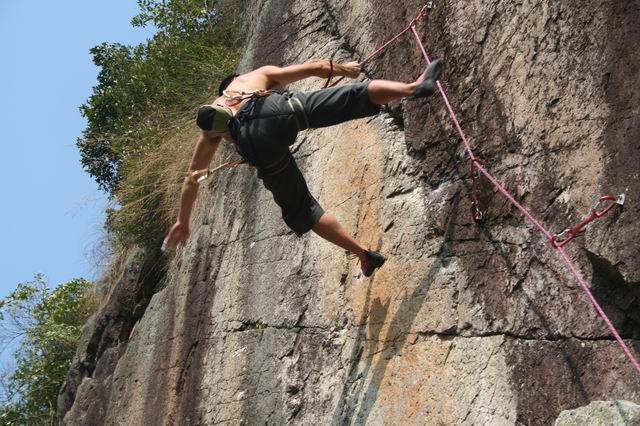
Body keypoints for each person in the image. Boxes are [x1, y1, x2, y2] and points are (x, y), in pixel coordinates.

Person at [163, 58, 443, 276]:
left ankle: (364, 255)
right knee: (356, 95)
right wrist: (346, 70)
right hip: (277, 111)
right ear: (236, 78)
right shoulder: (254, 77)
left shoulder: (213, 122)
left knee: (304, 208)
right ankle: (413, 88)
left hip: (255, 148)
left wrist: (183, 221)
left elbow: (192, 177)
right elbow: (315, 67)